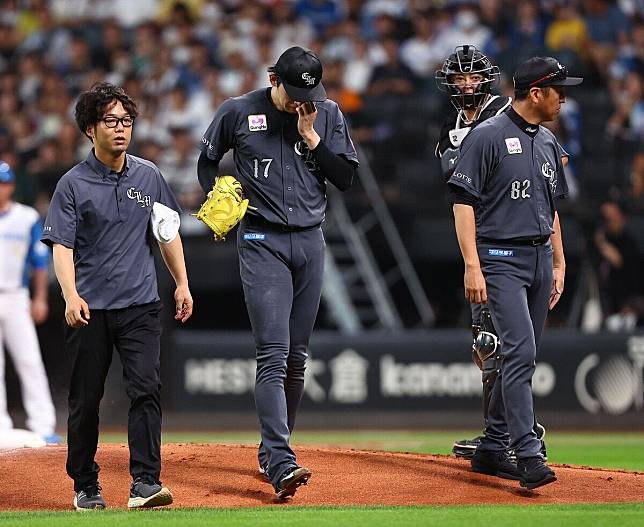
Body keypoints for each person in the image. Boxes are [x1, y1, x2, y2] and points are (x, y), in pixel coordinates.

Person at [197, 46, 358, 499]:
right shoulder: (238, 110)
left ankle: (273, 451)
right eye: (294, 90)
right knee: (273, 350)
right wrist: (217, 189)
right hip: (261, 240)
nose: (302, 99)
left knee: (297, 358)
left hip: (310, 240)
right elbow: (207, 160)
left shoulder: (325, 113)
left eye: (311, 90)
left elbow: (345, 177)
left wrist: (312, 138)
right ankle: (282, 460)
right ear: (274, 79)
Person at [42, 82, 193, 511]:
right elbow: (62, 246)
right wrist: (70, 295)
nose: (121, 129)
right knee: (86, 400)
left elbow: (167, 233)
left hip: (141, 305)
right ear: (90, 129)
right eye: (110, 121)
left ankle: (145, 482)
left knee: (146, 390)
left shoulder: (149, 175)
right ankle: (85, 486)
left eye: (126, 121)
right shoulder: (72, 184)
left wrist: (181, 282)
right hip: (89, 309)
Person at [448, 56, 582, 490]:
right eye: (559, 89)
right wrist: (472, 265)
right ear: (537, 92)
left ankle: (492, 445)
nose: (564, 98)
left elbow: (552, 208)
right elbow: (462, 202)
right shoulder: (487, 136)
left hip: (539, 256)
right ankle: (526, 453)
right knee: (519, 352)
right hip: (500, 257)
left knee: (522, 355)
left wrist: (559, 262)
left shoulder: (546, 141)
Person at [435, 45, 548, 462]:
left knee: (504, 345)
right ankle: (502, 434)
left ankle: (515, 435)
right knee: (487, 346)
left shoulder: (505, 114)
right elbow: (456, 186)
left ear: (487, 78)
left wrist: (557, 257)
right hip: (480, 239)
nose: (466, 84)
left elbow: (545, 170)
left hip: (510, 240)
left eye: (472, 76)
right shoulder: (450, 127)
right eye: (459, 78)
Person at [0, 160, 60, 445]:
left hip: (15, 295)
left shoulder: (26, 217)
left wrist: (40, 298)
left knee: (29, 360)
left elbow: (39, 262)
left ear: (11, 186)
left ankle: (43, 424)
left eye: (4, 183)